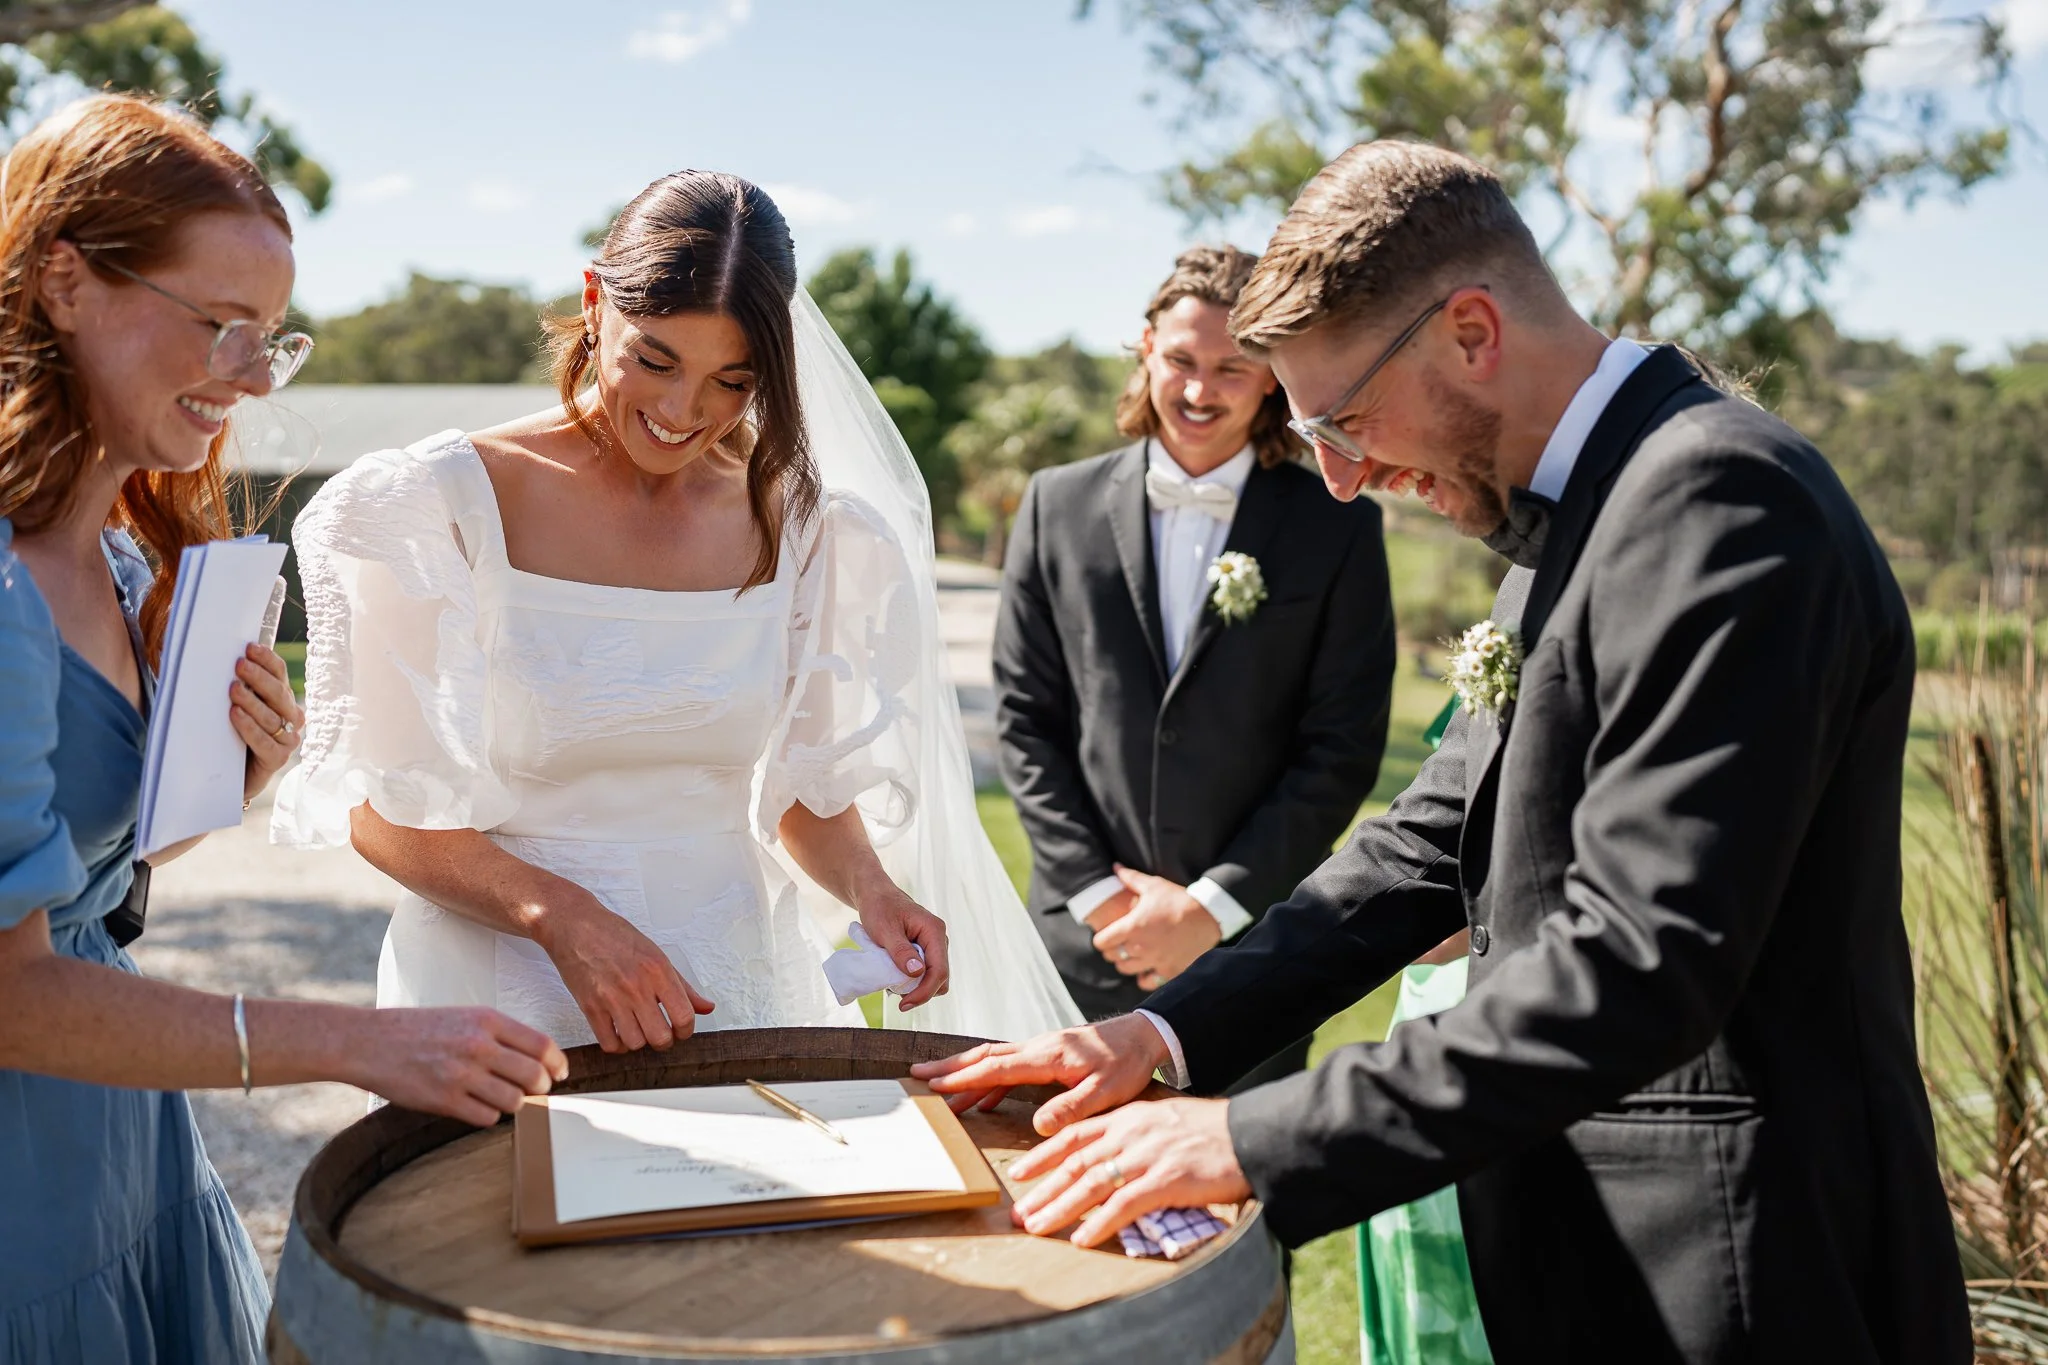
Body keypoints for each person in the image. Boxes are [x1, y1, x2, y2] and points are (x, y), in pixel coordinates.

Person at [917, 140, 1968, 1361]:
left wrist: (1247, 1140)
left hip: (1739, 1267)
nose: (1343, 479)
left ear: (1470, 329)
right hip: (1599, 1248)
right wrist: (1159, 1038)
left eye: (1344, 418)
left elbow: (1642, 958)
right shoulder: (1593, 507)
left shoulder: (1718, 501)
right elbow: (1426, 844)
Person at [0, 96, 568, 1365]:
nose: (255, 377)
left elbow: (76, 889)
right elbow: (10, 990)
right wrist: (355, 1042)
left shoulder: (124, 558)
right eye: (220, 326)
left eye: (273, 338)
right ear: (64, 283)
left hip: (123, 1154)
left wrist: (223, 781)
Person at [275, 171, 1080, 1049]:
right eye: (655, 359)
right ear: (595, 303)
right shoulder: (434, 505)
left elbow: (796, 796)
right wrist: (563, 917)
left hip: (732, 985)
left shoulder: (803, 529)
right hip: (503, 990)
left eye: (731, 382)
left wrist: (874, 891)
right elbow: (382, 812)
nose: (680, 411)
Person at [995, 245, 1393, 1093]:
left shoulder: (1338, 526)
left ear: (1273, 377)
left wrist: (1210, 909)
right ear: (1146, 349)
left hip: (1254, 952)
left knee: (1241, 1214)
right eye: (1181, 360)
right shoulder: (1053, 506)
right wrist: (1102, 900)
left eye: (1232, 368)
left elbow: (1343, 745)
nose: (1201, 391)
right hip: (1081, 944)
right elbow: (1026, 719)